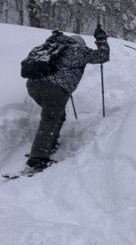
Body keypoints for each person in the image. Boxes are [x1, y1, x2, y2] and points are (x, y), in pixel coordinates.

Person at [23, 26, 110, 173]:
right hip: (54, 89)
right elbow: (103, 56)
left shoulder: (54, 46)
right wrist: (101, 39)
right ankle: (38, 158)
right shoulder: (79, 50)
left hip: (33, 85)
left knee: (58, 115)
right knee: (50, 118)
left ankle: (48, 144)